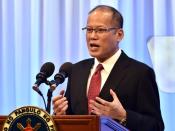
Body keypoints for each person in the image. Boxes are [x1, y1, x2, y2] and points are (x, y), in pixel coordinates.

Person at [52, 5, 164, 131]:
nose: (92, 36)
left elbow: (156, 126)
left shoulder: (140, 73)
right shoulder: (77, 70)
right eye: (89, 30)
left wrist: (123, 116)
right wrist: (61, 115)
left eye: (100, 30)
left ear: (119, 35)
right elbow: (74, 118)